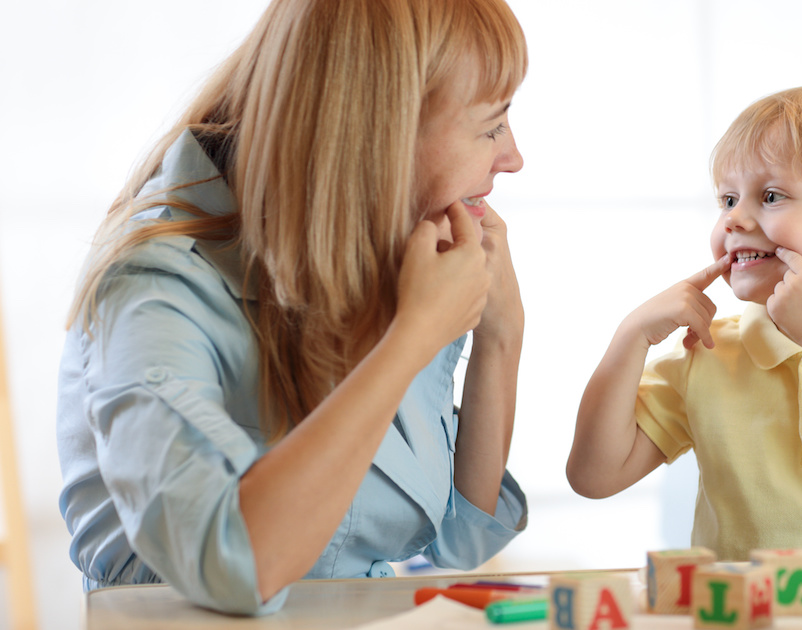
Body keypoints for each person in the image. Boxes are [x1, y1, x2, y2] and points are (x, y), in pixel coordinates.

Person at [56, 0, 528, 616]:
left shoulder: (381, 245)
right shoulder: (153, 288)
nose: (513, 156)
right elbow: (236, 565)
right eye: (492, 125)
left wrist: (500, 337)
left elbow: (462, 533)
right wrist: (411, 337)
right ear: (377, 133)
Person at [566, 85, 802, 561]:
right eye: (727, 199)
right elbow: (593, 477)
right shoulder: (708, 353)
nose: (734, 219)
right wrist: (630, 337)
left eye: (770, 196)